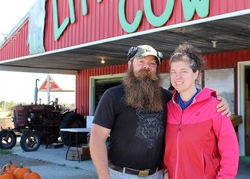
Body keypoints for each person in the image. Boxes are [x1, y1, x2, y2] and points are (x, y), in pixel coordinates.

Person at [90, 45, 231, 179]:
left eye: (152, 63)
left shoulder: (168, 99)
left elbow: (192, 100)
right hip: (121, 174)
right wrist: (104, 176)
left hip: (157, 175)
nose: (147, 66)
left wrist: (216, 100)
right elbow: (97, 139)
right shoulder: (113, 96)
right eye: (141, 61)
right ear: (129, 65)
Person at [163, 43, 239, 178]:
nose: (177, 77)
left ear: (196, 73)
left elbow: (230, 150)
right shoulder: (167, 106)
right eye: (173, 72)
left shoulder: (215, 106)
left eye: (183, 71)